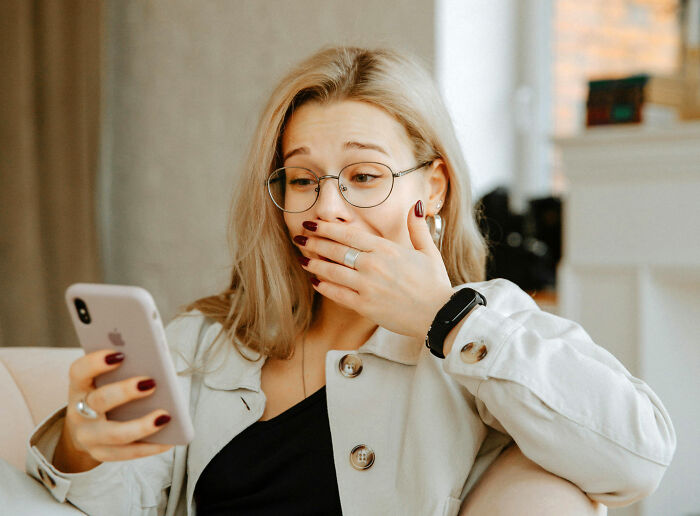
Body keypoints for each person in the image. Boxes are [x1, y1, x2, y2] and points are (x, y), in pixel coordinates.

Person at [25, 45, 675, 516]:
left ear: (434, 187)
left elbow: (637, 458)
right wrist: (83, 446)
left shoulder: (484, 326)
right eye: (303, 180)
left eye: (364, 177)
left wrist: (442, 317)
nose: (326, 208)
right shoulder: (206, 342)